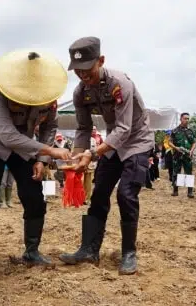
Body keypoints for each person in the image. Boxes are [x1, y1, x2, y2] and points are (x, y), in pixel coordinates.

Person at [0, 49, 72, 277]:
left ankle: (31, 251)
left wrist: (42, 159)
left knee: (35, 197)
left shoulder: (48, 96)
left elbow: (49, 127)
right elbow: (7, 135)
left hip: (25, 148)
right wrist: (49, 150)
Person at [59, 37, 155, 275]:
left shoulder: (119, 83)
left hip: (136, 143)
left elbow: (125, 129)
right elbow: (82, 129)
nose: (83, 75)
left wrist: (92, 154)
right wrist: (76, 158)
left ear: (101, 61)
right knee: (99, 193)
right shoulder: (80, 92)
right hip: (113, 145)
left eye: (87, 69)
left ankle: (128, 253)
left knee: (126, 195)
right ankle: (89, 249)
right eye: (77, 70)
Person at [168, 112, 196, 198]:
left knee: (189, 173)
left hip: (187, 155)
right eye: (185, 118)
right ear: (181, 119)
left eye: (188, 119)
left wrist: (191, 151)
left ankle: (190, 192)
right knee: (176, 172)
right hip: (177, 155)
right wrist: (175, 148)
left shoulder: (190, 131)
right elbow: (169, 142)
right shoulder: (175, 131)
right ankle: (175, 191)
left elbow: (194, 142)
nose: (187, 120)